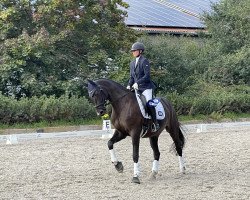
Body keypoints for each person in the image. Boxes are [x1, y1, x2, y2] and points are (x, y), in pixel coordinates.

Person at [126, 42, 159, 132]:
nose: (133, 52)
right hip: (136, 88)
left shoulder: (144, 61)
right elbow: (131, 77)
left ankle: (155, 123)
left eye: (134, 50)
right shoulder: (132, 63)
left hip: (146, 87)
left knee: (148, 102)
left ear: (140, 51)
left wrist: (138, 82)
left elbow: (147, 76)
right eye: (132, 51)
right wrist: (129, 85)